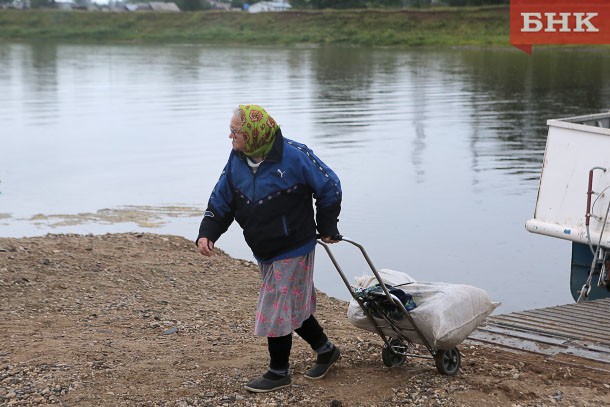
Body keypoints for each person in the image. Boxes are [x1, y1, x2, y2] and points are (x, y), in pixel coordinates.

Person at [196, 104, 342, 393]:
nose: (230, 137)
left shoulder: (294, 155)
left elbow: (330, 187)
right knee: (290, 303)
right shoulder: (237, 158)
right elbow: (222, 198)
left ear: (253, 133)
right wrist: (208, 232)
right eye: (231, 131)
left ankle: (278, 371)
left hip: (294, 245)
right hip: (263, 247)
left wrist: (327, 227)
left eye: (235, 131)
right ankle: (326, 350)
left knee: (276, 305)